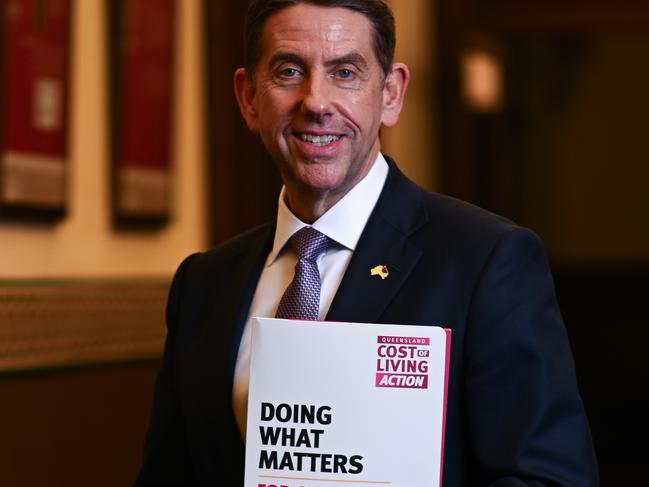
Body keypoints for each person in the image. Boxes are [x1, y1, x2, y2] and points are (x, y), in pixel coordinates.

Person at [134, 1, 599, 485]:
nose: (316, 102)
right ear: (249, 97)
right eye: (289, 71)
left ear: (391, 94)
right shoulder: (204, 283)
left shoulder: (487, 262)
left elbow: (549, 478)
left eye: (346, 72)